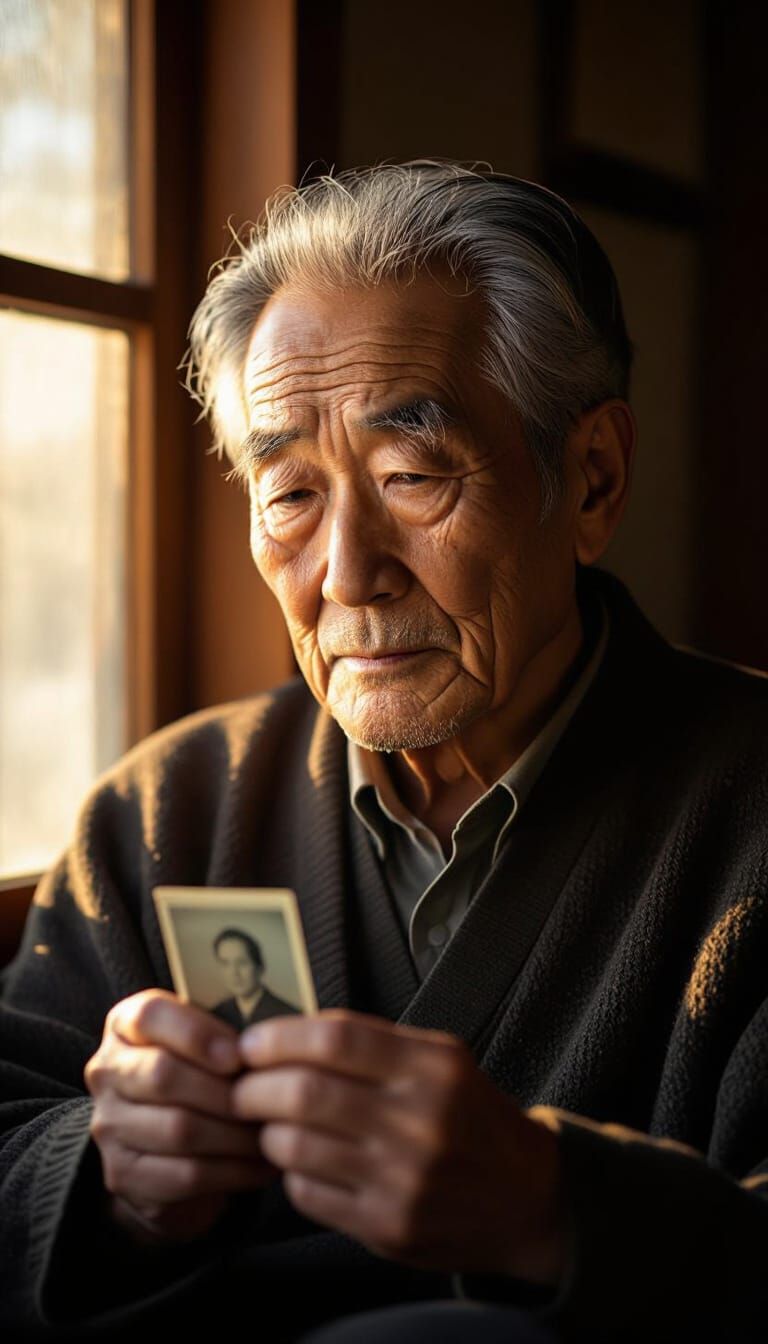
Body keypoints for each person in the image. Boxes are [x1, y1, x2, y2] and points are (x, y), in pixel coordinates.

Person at [1, 161, 767, 1344]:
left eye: (414, 477)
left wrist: (554, 1211)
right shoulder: (167, 811)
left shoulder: (749, 811)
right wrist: (109, 1181)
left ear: (593, 480)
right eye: (290, 495)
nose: (347, 575)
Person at [210, 928, 300, 1028]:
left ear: (259, 967)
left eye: (242, 962)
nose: (234, 973)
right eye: (225, 963)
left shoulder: (290, 1017)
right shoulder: (215, 1016)